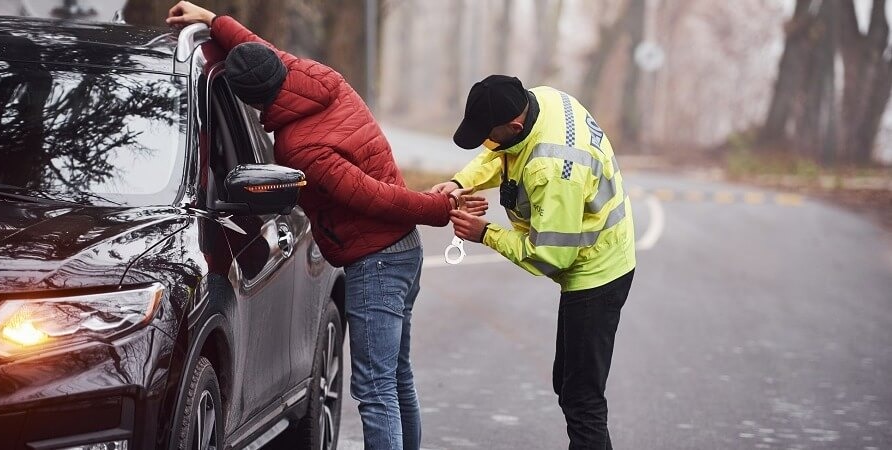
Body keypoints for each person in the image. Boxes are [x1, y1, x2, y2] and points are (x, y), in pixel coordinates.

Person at [166, 3, 487, 449]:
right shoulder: (318, 78)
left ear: (251, 100)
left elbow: (372, 196)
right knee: (396, 377)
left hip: (376, 262)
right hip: (402, 252)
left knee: (376, 391)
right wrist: (214, 19)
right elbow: (260, 51)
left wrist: (438, 208)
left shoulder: (301, 147)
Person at [432, 75, 636, 449]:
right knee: (570, 383)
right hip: (598, 256)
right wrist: (462, 181)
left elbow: (551, 257)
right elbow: (505, 153)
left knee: (582, 397)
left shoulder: (554, 168)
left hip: (597, 271)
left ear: (514, 124)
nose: (487, 143)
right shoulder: (542, 100)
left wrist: (484, 233)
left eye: (488, 135)